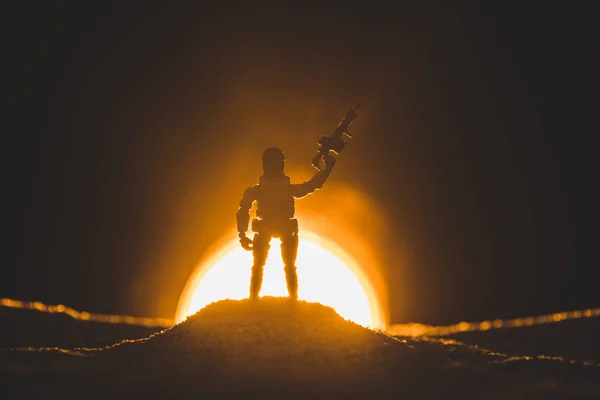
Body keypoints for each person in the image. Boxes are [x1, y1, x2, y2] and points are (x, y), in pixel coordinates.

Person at [236, 147, 336, 300]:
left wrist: (327, 170)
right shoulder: (261, 190)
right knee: (266, 266)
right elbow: (310, 186)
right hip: (271, 226)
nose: (277, 166)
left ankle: (280, 299)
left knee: (281, 266)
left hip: (279, 226)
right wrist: (242, 234)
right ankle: (259, 299)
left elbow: (311, 186)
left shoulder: (259, 190)